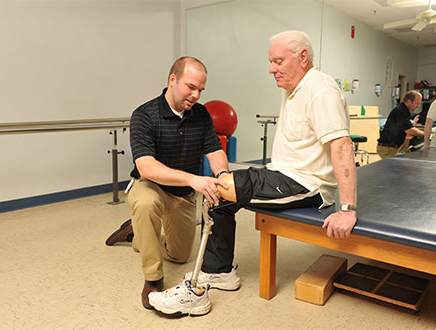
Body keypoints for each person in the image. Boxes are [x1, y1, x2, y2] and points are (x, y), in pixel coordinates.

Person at [148, 30, 357, 315]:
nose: (271, 68)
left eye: (278, 61)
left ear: (303, 57)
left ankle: (196, 290)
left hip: (308, 185)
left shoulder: (320, 89)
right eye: (271, 61)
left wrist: (347, 210)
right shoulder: (295, 88)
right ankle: (219, 272)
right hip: (283, 174)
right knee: (218, 192)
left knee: (218, 189)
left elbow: (342, 145)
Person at [104, 56, 230, 310]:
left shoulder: (201, 114)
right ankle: (152, 279)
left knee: (179, 256)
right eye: (191, 87)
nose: (196, 95)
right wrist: (194, 179)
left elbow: (214, 151)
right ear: (172, 80)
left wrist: (223, 176)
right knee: (146, 203)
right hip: (151, 187)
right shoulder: (144, 115)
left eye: (201, 90)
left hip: (183, 195)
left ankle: (136, 232)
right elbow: (146, 167)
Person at [377, 91, 424, 159]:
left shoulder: (404, 111)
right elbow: (409, 130)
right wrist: (425, 134)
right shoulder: (401, 111)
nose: (418, 106)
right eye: (417, 103)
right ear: (408, 101)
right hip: (387, 148)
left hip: (392, 147)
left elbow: (409, 126)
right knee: (391, 168)